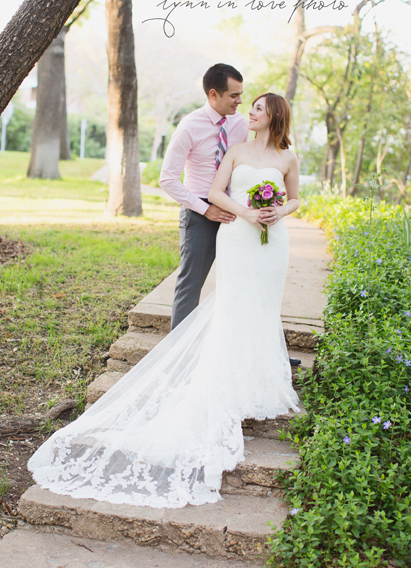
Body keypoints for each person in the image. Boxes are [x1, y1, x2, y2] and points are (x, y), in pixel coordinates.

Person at [28, 92, 301, 508]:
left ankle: (261, 379)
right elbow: (214, 191)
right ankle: (226, 381)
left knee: (263, 307)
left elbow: (297, 198)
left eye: (258, 108)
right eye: (248, 105)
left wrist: (278, 211)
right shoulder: (238, 149)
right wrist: (248, 213)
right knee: (232, 305)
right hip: (239, 237)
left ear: (274, 116)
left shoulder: (288, 158)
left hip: (272, 243)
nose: (250, 111)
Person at [159, 63, 248, 329]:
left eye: (241, 94)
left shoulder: (240, 123)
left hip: (233, 212)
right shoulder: (190, 126)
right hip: (200, 214)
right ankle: (179, 353)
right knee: (191, 284)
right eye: (234, 95)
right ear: (213, 94)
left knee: (242, 280)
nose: (239, 101)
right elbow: (167, 178)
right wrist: (204, 209)